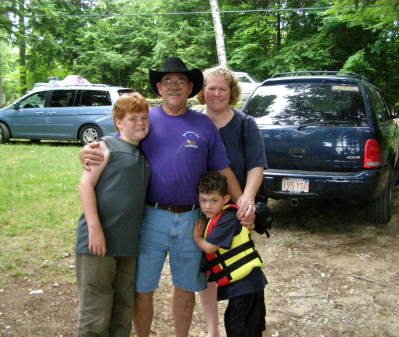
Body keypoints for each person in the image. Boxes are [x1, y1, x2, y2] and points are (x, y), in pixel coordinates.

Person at [80, 56, 253, 337]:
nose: (174, 86)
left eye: (181, 81)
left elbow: (224, 169)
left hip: (191, 219)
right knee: (142, 287)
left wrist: (243, 203)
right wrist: (86, 151)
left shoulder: (204, 124)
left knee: (185, 287)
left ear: (190, 88)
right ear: (159, 87)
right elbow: (113, 145)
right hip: (150, 217)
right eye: (168, 81)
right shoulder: (146, 121)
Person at [196, 66, 267, 337]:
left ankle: (248, 327)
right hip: (202, 209)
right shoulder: (194, 122)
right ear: (202, 91)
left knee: (240, 269)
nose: (216, 93)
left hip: (235, 210)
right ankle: (213, 330)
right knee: (208, 270)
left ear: (231, 92)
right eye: (210, 88)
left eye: (222, 89)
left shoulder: (245, 124)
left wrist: (246, 199)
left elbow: (256, 166)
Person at [75, 92, 151, 337]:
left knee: (122, 312)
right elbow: (85, 186)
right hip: (98, 243)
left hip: (127, 244)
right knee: (95, 314)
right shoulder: (105, 147)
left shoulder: (143, 153)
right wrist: (95, 229)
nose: (140, 123)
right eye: (132, 118)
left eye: (143, 118)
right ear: (119, 122)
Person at [194, 171, 268, 337]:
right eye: (203, 200)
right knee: (252, 327)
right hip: (246, 284)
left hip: (247, 284)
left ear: (226, 199)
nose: (207, 206)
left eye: (214, 201)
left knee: (238, 327)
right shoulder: (215, 219)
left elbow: (210, 248)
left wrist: (197, 238)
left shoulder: (226, 219)